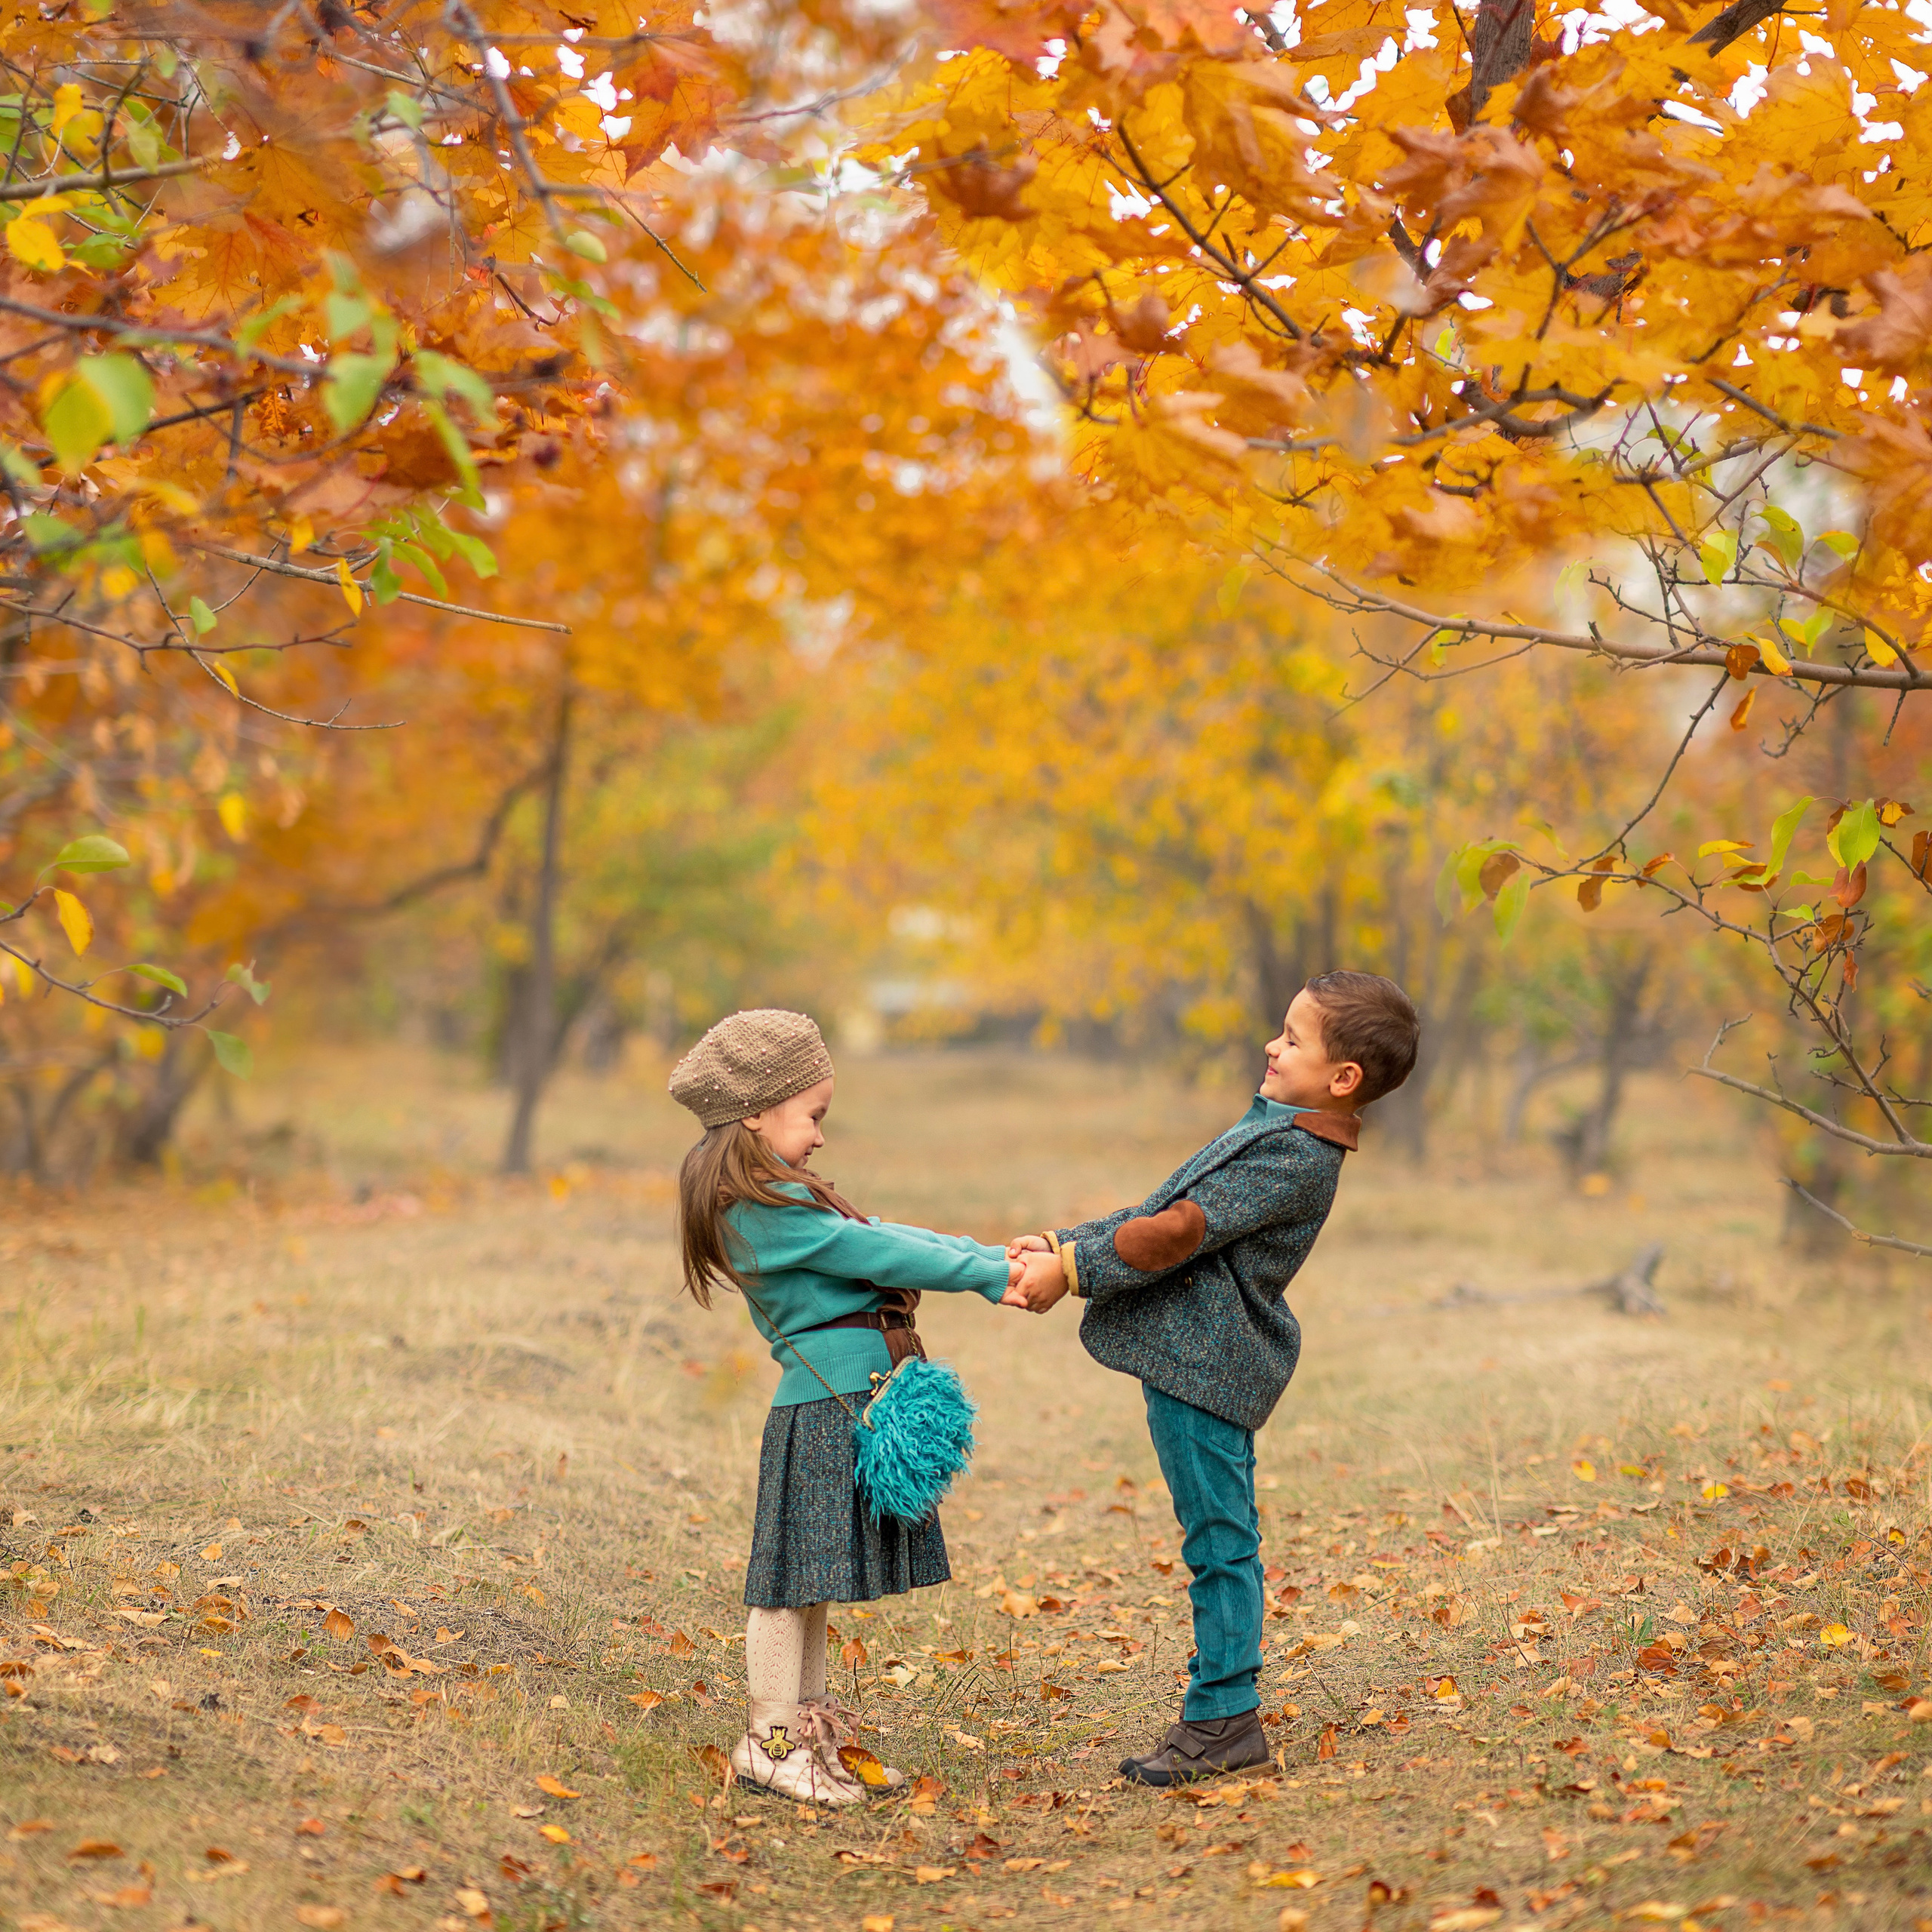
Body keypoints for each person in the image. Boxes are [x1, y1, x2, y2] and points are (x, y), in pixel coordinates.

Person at [1008, 971, 1420, 1786]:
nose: (1273, 1043)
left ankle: (1224, 1717)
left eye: (1294, 1038)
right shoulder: (1280, 1128)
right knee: (1217, 1536)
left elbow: (1175, 1233)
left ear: (1343, 1079)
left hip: (1210, 1367)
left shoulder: (1298, 1157)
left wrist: (1072, 1270)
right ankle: (1221, 1712)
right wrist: (1061, 1241)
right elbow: (1164, 1204)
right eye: (1282, 1028)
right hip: (1194, 1360)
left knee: (1220, 1542)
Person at [670, 1008, 1029, 1804]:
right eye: (813, 1115)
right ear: (757, 1111)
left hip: (845, 1407)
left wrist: (990, 1254)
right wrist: (991, 1275)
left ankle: (808, 1740)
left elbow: (878, 1231)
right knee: (787, 1585)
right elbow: (874, 1249)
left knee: (813, 1583)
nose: (821, 1136)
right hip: (821, 1411)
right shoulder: (755, 1211)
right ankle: (767, 1742)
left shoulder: (783, 1200)